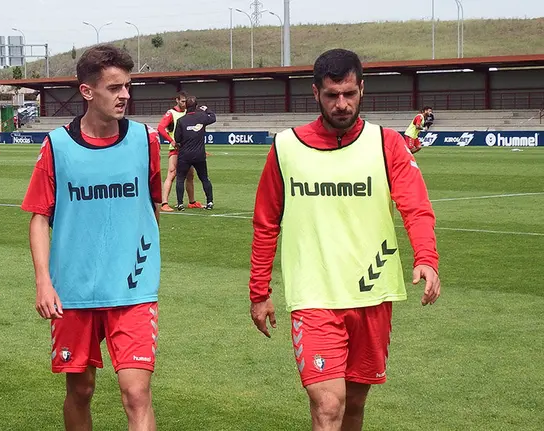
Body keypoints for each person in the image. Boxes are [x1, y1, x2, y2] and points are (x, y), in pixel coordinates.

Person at [248, 48, 441, 431]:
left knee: (353, 405)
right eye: (332, 95)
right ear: (315, 92)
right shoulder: (286, 147)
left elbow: (416, 207)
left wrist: (426, 257)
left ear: (362, 89)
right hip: (313, 298)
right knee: (328, 406)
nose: (342, 104)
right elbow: (266, 222)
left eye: (349, 94)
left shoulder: (388, 145)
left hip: (372, 293)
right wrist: (259, 290)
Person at [22, 43, 162, 431]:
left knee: (137, 394)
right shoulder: (57, 146)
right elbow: (38, 218)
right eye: (115, 88)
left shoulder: (145, 140)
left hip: (133, 289)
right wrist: (43, 282)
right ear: (87, 91)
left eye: (127, 87)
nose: (125, 96)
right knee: (80, 391)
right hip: (73, 292)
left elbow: (151, 207)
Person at [157, 91, 201, 211]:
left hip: (187, 150)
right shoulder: (171, 113)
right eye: (182, 101)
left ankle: (192, 201)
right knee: (172, 173)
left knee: (190, 175)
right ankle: (164, 203)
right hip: (176, 149)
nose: (184, 103)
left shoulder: (188, 112)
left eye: (186, 101)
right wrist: (171, 140)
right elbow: (160, 128)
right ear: (177, 100)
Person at [173, 95, 216, 211]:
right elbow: (213, 118)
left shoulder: (181, 121)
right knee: (204, 178)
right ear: (196, 106)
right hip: (199, 154)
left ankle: (180, 203)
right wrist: (206, 109)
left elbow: (177, 139)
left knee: (180, 178)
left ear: (186, 106)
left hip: (184, 155)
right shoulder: (202, 117)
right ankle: (210, 202)